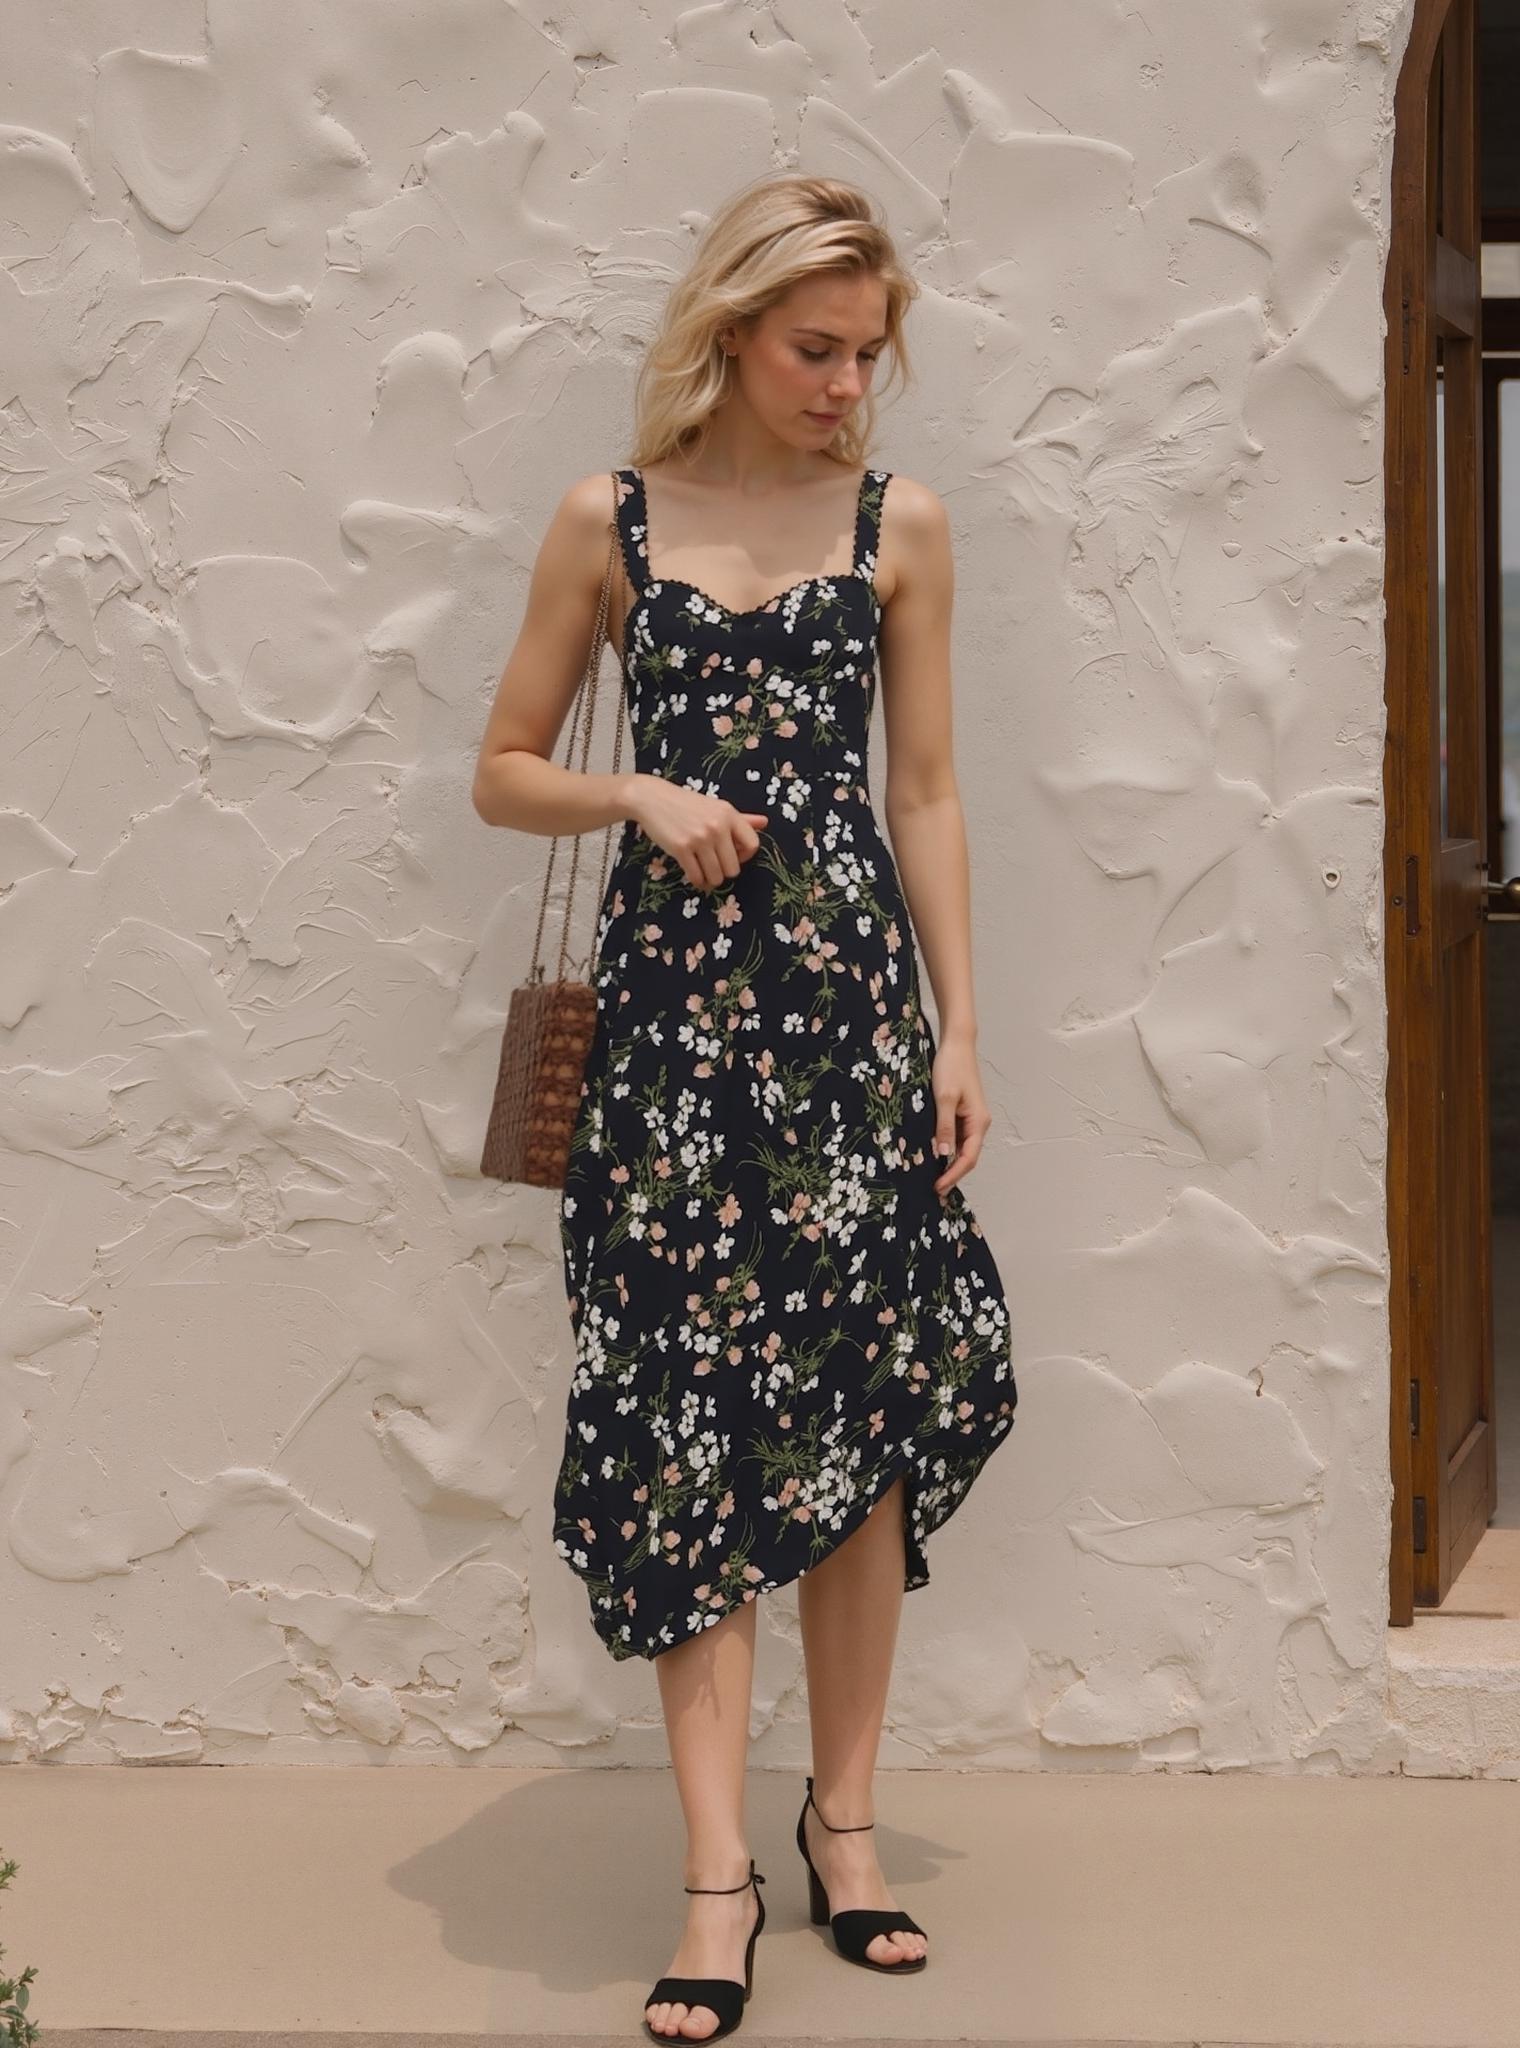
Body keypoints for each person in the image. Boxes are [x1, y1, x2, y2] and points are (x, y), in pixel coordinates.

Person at [472, 171, 1018, 2043]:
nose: (852, 385)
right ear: (729, 334)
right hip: (670, 1057)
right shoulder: (606, 521)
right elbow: (503, 766)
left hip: (852, 1035)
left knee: (853, 1438)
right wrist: (637, 799)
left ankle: (842, 1834)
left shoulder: (901, 528)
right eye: (817, 349)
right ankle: (717, 1880)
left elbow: (927, 792)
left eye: (873, 354)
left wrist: (961, 1029)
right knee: (688, 1435)